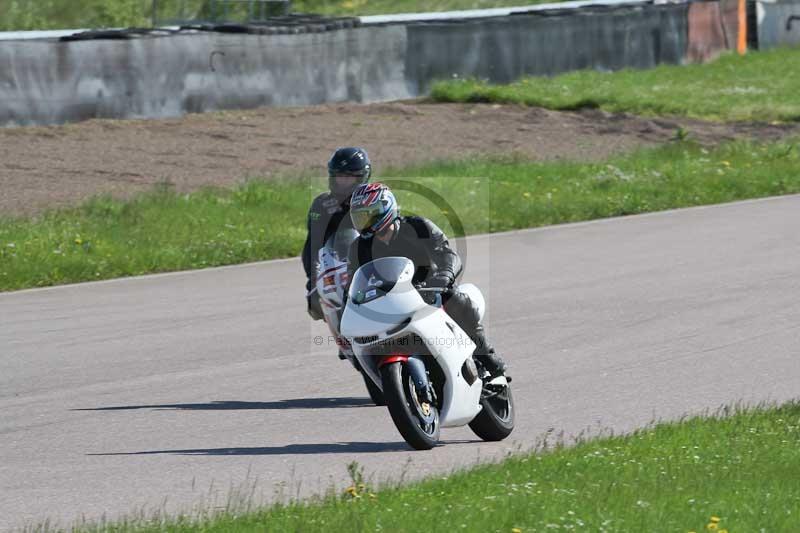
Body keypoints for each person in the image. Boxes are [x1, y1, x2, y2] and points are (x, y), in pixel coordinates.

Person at [346, 182, 508, 379]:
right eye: (360, 218)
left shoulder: (418, 227)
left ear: (385, 208)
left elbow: (448, 254)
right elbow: (352, 282)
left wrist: (445, 276)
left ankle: (486, 357)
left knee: (454, 298)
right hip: (390, 302)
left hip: (431, 290)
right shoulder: (358, 248)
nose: (364, 222)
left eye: (368, 215)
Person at [302, 147, 371, 321]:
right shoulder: (322, 204)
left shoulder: (374, 199)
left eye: (349, 177)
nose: (343, 182)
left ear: (362, 176)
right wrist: (313, 283)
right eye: (340, 177)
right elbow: (312, 246)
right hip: (337, 274)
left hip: (372, 269)